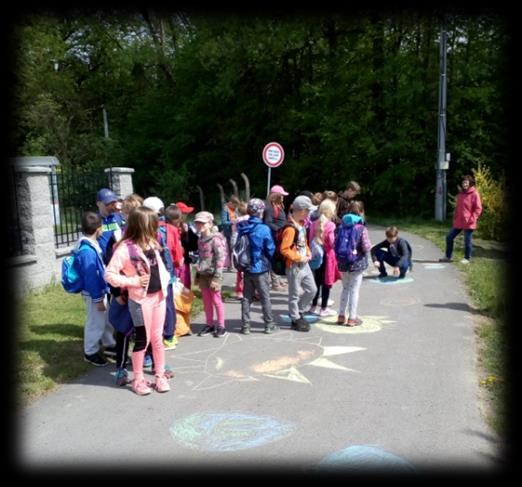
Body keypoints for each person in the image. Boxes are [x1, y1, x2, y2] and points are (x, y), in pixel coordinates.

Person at [105, 206, 171, 395]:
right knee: (143, 340)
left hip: (159, 297)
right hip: (140, 301)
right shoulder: (124, 249)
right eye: (153, 225)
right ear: (143, 225)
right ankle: (139, 379)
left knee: (157, 339)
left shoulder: (151, 243)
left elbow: (160, 268)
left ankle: (159, 376)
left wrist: (166, 282)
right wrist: (132, 281)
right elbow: (109, 275)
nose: (156, 228)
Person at [75, 212, 116, 366]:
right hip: (94, 293)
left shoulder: (91, 244)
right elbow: (91, 278)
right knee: (95, 322)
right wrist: (98, 298)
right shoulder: (87, 251)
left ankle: (109, 343)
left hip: (99, 290)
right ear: (99, 229)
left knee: (106, 319)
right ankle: (90, 352)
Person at [237, 198, 278, 335]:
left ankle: (246, 326)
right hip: (260, 267)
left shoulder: (242, 227)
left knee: (247, 297)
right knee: (265, 296)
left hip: (246, 267)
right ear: (261, 212)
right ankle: (268, 324)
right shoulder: (263, 228)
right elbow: (270, 248)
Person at [279, 195, 318, 332]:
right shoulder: (290, 229)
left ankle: (299, 311)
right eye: (308, 211)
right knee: (294, 294)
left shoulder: (301, 225)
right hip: (294, 266)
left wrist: (307, 251)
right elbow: (284, 249)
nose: (309, 214)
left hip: (304, 264)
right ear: (301, 211)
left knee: (312, 289)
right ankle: (295, 318)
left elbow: (303, 243)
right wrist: (297, 257)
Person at [336, 201, 372, 327]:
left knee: (345, 288)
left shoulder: (341, 226)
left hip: (342, 262)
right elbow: (366, 247)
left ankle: (341, 316)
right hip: (357, 263)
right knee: (354, 291)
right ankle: (352, 318)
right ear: (361, 212)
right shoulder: (361, 228)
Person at [193, 211, 228, 338]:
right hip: (203, 274)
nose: (199, 225)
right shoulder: (200, 239)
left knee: (216, 300)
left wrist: (217, 277)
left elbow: (220, 258)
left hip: (214, 275)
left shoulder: (215, 239)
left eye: (202, 223)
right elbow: (202, 256)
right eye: (197, 223)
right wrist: (198, 267)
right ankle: (209, 324)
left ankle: (221, 326)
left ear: (210, 223)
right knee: (206, 301)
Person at [439, 174, 483, 264]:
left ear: (470, 183)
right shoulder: (460, 194)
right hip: (459, 221)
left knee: (467, 241)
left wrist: (472, 218)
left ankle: (467, 258)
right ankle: (448, 256)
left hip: (469, 222)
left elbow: (478, 208)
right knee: (449, 237)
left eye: (466, 182)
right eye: (463, 183)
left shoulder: (474, 193)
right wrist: (455, 218)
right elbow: (457, 208)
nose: (464, 184)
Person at [308, 199, 340, 316]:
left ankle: (313, 306)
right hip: (328, 255)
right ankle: (324, 308)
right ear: (330, 211)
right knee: (327, 282)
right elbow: (331, 242)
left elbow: (310, 239)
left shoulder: (313, 224)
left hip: (316, 256)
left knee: (316, 281)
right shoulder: (331, 225)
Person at [263, 185, 289, 291]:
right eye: (282, 195)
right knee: (273, 259)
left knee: (276, 258)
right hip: (273, 237)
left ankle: (277, 281)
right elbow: (268, 222)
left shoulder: (277, 206)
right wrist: (279, 229)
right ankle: (275, 283)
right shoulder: (269, 207)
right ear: (276, 196)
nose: (283, 197)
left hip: (277, 237)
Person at [95, 188, 125, 264]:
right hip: (102, 262)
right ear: (98, 204)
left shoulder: (119, 217)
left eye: (113, 203)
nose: (111, 206)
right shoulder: (93, 220)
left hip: (119, 261)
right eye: (107, 204)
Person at [232, 201, 249, 300]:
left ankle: (239, 291)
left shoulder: (237, 222)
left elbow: (234, 235)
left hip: (239, 248)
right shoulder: (251, 220)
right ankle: (250, 290)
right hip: (248, 247)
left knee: (240, 270)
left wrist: (233, 246)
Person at [221, 195, 240, 271]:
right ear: (231, 203)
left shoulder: (235, 209)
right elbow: (223, 221)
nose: (235, 208)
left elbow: (237, 216)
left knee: (234, 247)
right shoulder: (225, 209)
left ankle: (234, 264)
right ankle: (230, 265)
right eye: (234, 206)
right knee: (229, 248)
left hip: (235, 231)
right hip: (228, 231)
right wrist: (232, 222)